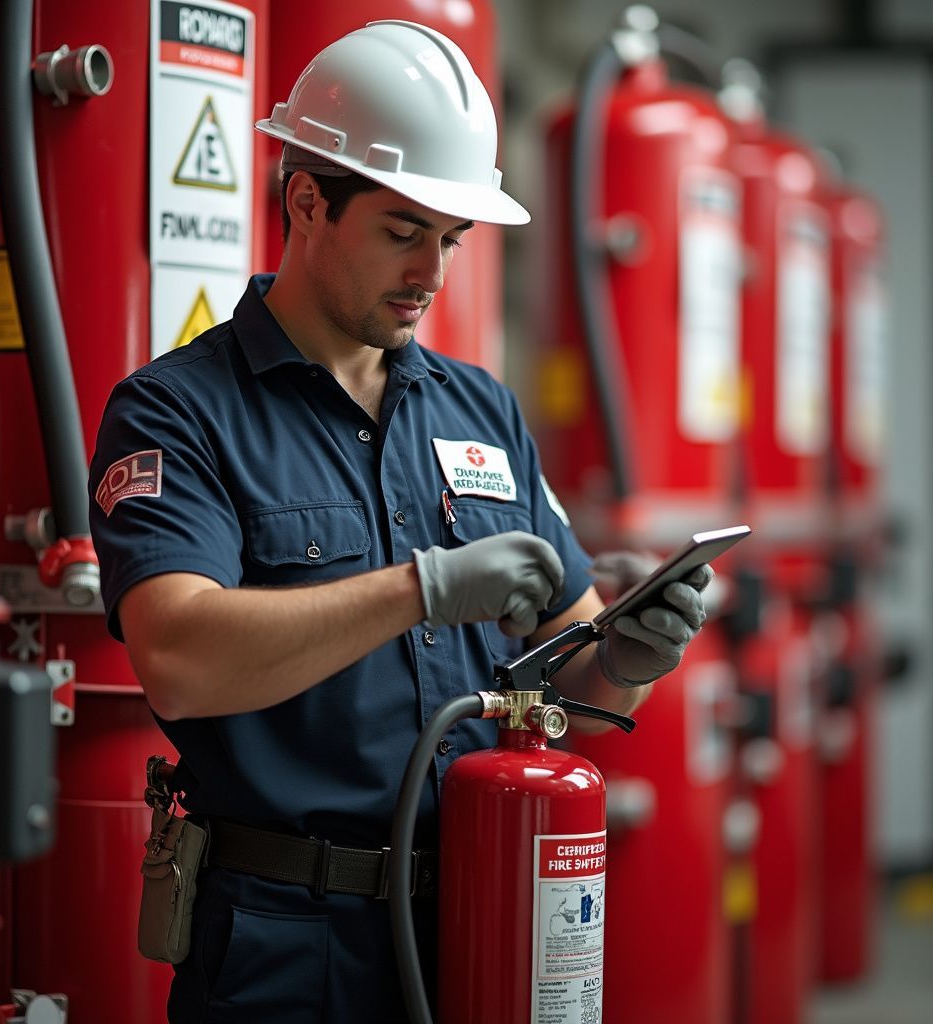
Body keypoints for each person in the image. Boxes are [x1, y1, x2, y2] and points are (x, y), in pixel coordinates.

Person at [88, 20, 711, 1024]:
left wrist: (629, 652)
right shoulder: (178, 411)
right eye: (402, 230)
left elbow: (570, 683)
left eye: (452, 240)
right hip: (284, 942)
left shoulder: (482, 413)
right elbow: (180, 654)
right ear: (305, 201)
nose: (432, 269)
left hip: (480, 907)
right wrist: (424, 588)